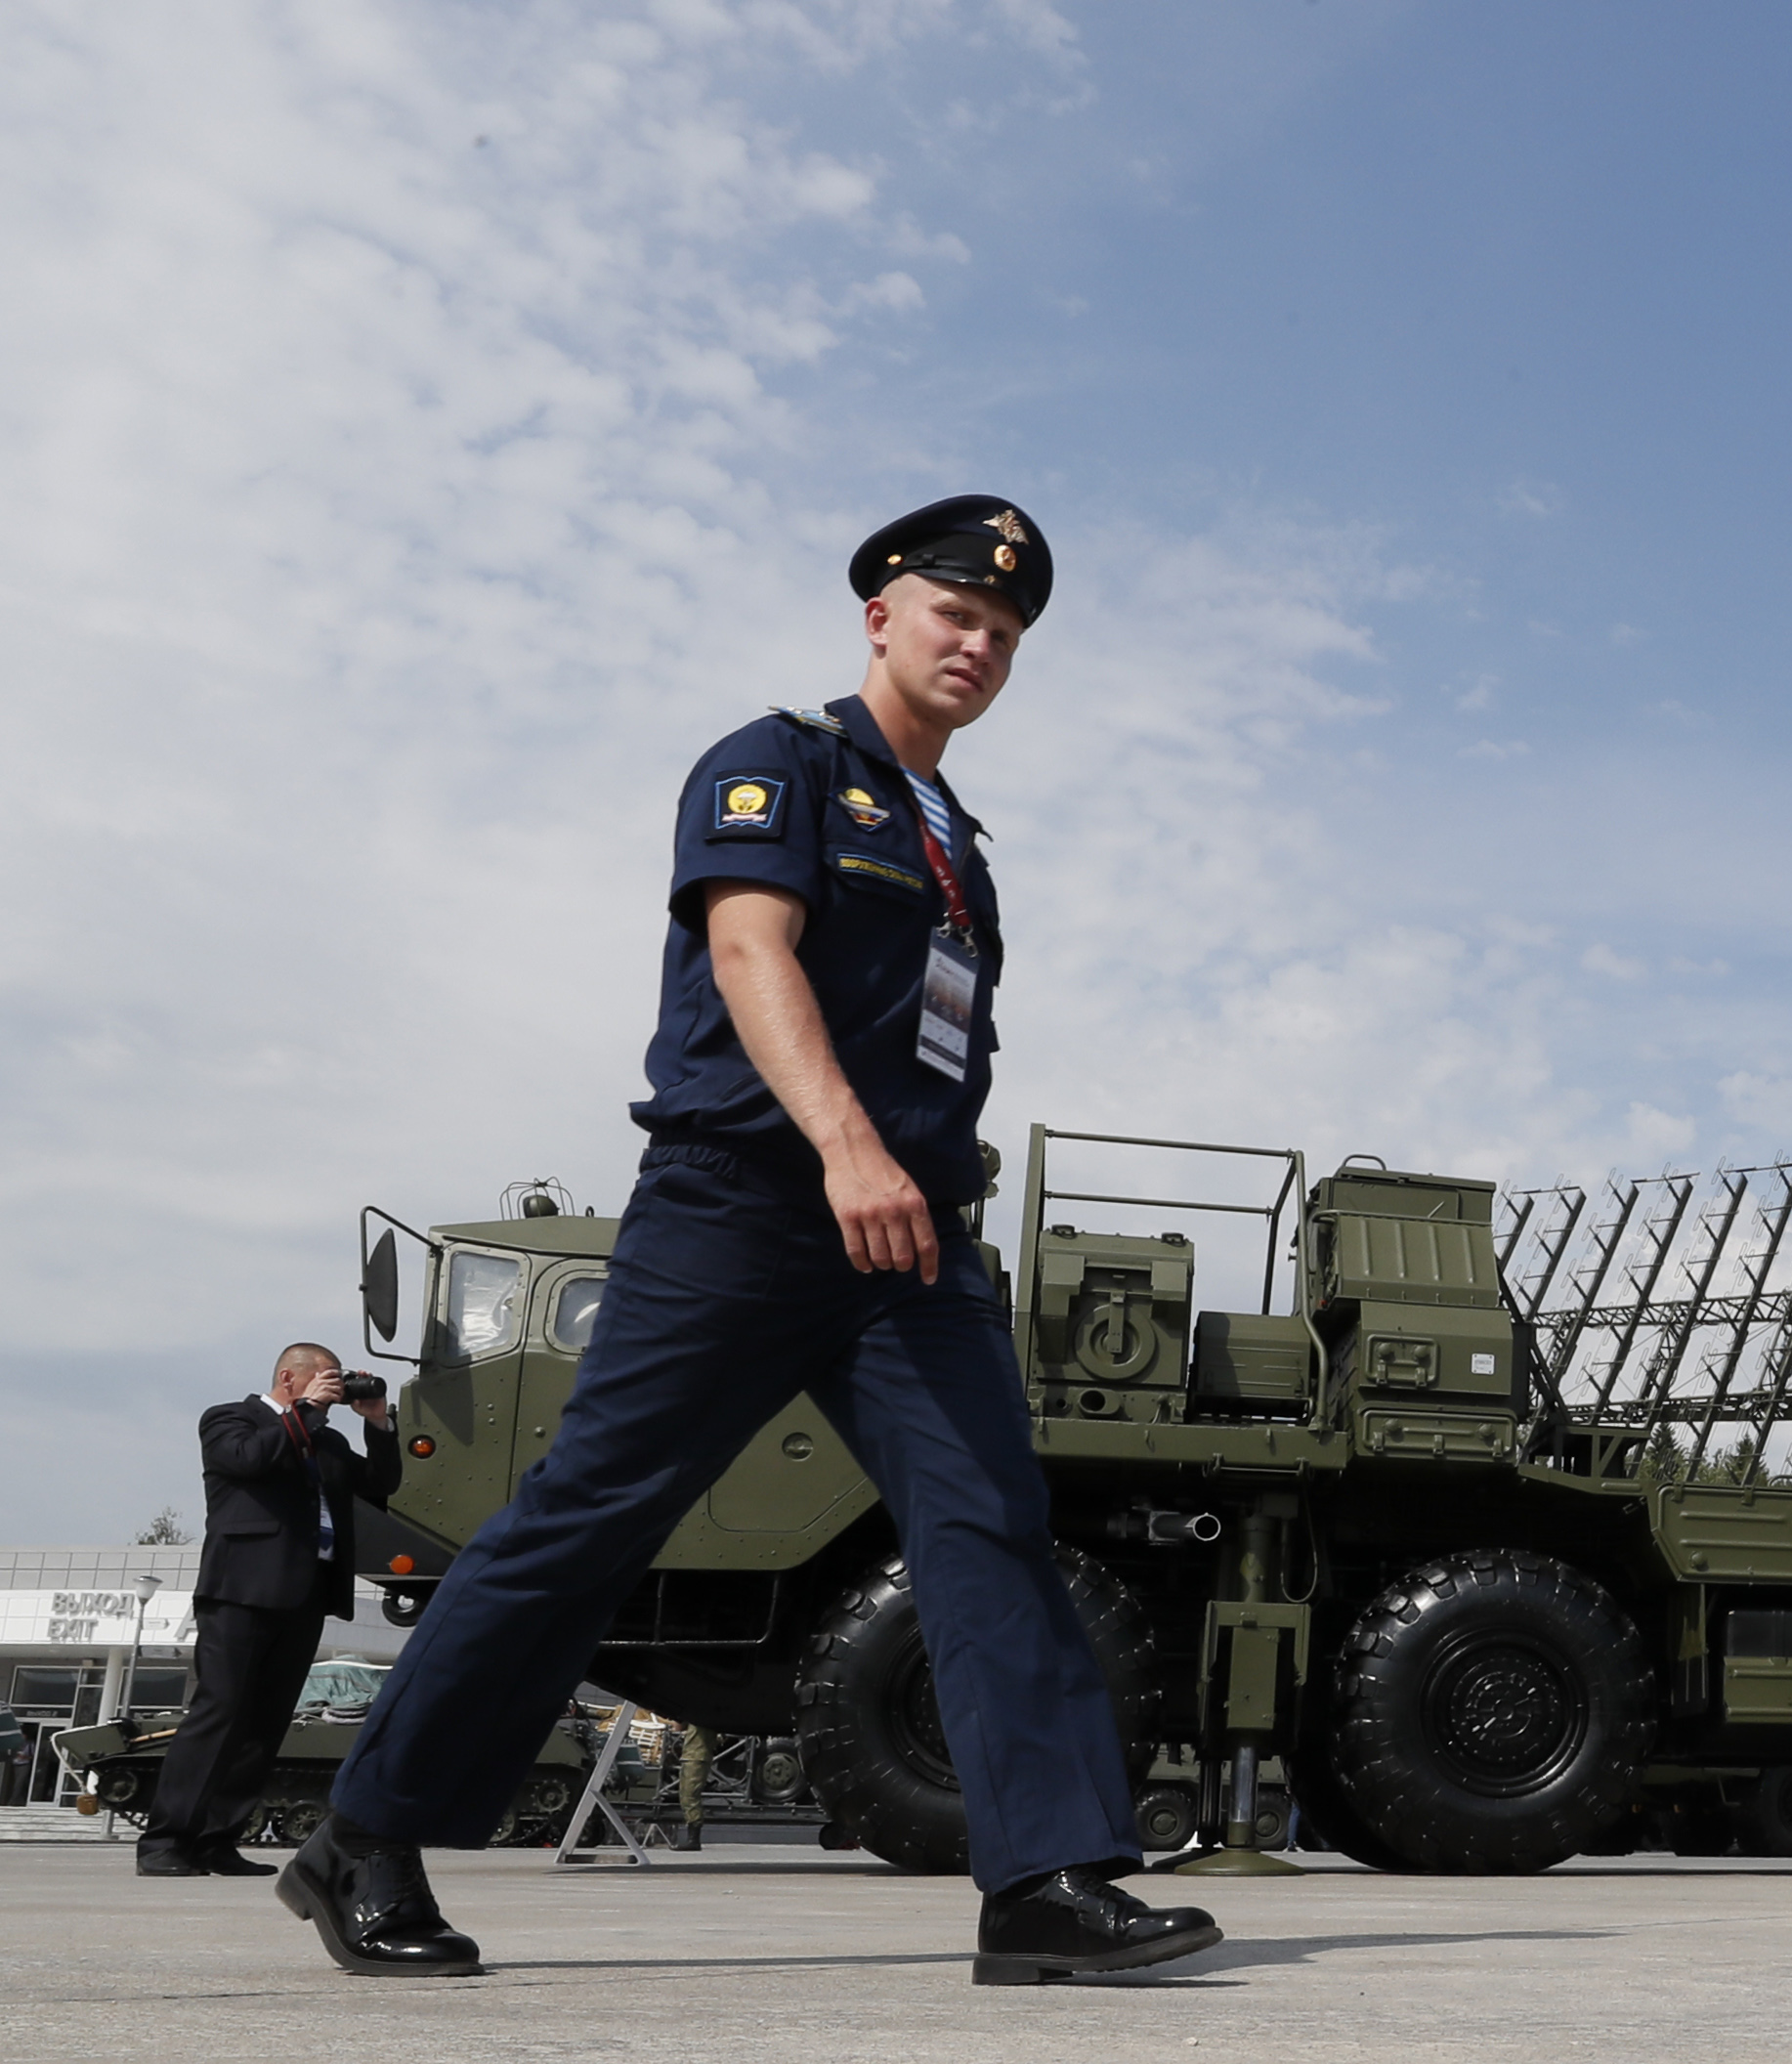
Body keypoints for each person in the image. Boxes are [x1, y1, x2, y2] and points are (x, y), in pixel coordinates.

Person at [279, 498, 1219, 1984]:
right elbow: (745, 947)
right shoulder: (779, 762)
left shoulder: (956, 845)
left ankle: (1044, 1881)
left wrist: (905, 1169)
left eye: (1005, 631)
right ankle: (364, 1837)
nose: (978, 645)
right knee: (594, 1516)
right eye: (955, 614)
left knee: (988, 1522)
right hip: (749, 1204)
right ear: (881, 618)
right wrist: (844, 1143)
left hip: (909, 1240)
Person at [142, 1344, 399, 1876]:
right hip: (242, 1590)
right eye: (327, 1378)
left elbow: (380, 1484)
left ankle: (217, 1841)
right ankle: (166, 1841)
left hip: (306, 1594)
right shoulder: (231, 1419)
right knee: (220, 1712)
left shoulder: (326, 1439)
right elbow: (248, 1460)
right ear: (289, 1377)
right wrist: (307, 1410)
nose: (335, 1389)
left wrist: (377, 1421)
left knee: (266, 1724)